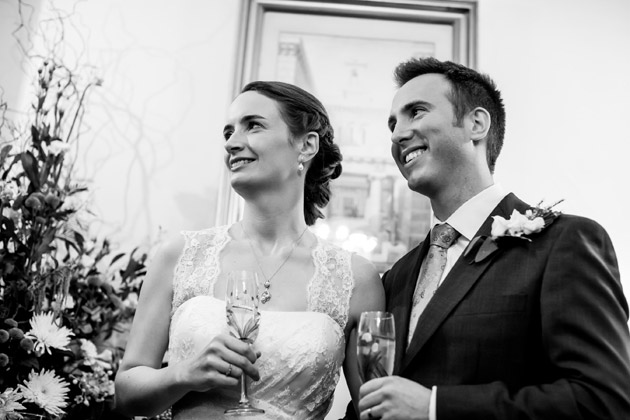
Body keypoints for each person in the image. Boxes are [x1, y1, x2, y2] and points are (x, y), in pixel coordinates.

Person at [343, 57, 630, 420]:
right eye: (392, 124)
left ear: (476, 123)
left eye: (416, 112)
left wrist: (435, 408)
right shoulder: (397, 276)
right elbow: (377, 403)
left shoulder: (563, 243)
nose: (398, 134)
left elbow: (603, 401)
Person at [115, 81, 385, 419]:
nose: (231, 143)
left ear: (306, 145)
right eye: (228, 132)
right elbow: (126, 392)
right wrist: (182, 374)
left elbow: (372, 410)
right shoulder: (180, 255)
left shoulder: (357, 278)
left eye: (252, 125)